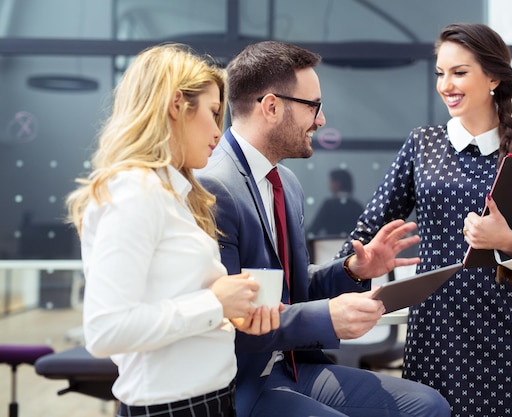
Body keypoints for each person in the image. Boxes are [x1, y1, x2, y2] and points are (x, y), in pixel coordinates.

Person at [195, 40, 450, 417]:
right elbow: (234, 318)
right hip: (242, 379)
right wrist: (327, 316)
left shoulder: (288, 185)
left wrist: (352, 270)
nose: (321, 120)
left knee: (428, 406)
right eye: (313, 106)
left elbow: (290, 289)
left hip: (291, 365)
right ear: (271, 106)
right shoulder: (215, 186)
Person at [336, 23, 512, 417]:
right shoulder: (422, 145)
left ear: (494, 77)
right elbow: (365, 234)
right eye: (440, 73)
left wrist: (507, 242)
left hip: (509, 338)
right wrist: (355, 264)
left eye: (459, 72)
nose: (446, 84)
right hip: (437, 336)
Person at [65, 43, 281, 417]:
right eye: (213, 113)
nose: (219, 131)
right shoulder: (134, 191)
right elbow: (106, 331)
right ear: (176, 104)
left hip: (212, 397)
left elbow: (170, 301)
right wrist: (215, 303)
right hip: (171, 407)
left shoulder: (175, 195)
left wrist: (230, 312)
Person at [307, 168, 365, 238]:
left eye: (331, 181)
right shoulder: (356, 206)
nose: (329, 184)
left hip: (331, 246)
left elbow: (314, 229)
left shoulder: (329, 205)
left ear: (337, 183)